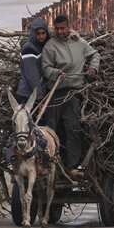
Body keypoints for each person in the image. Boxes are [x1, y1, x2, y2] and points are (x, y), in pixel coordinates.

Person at [40, 15, 98, 177]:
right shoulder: (50, 46)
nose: (60, 31)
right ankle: (48, 165)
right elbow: (45, 68)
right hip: (55, 93)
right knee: (50, 130)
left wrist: (93, 69)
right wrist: (55, 73)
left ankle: (72, 166)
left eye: (63, 28)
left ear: (68, 26)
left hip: (73, 93)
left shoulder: (79, 43)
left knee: (73, 128)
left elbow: (95, 55)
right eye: (57, 29)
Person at [15, 17, 49, 105]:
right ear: (33, 33)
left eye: (43, 33)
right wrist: (40, 97)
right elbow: (32, 76)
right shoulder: (29, 49)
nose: (41, 36)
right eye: (38, 34)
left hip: (36, 94)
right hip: (27, 96)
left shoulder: (41, 46)